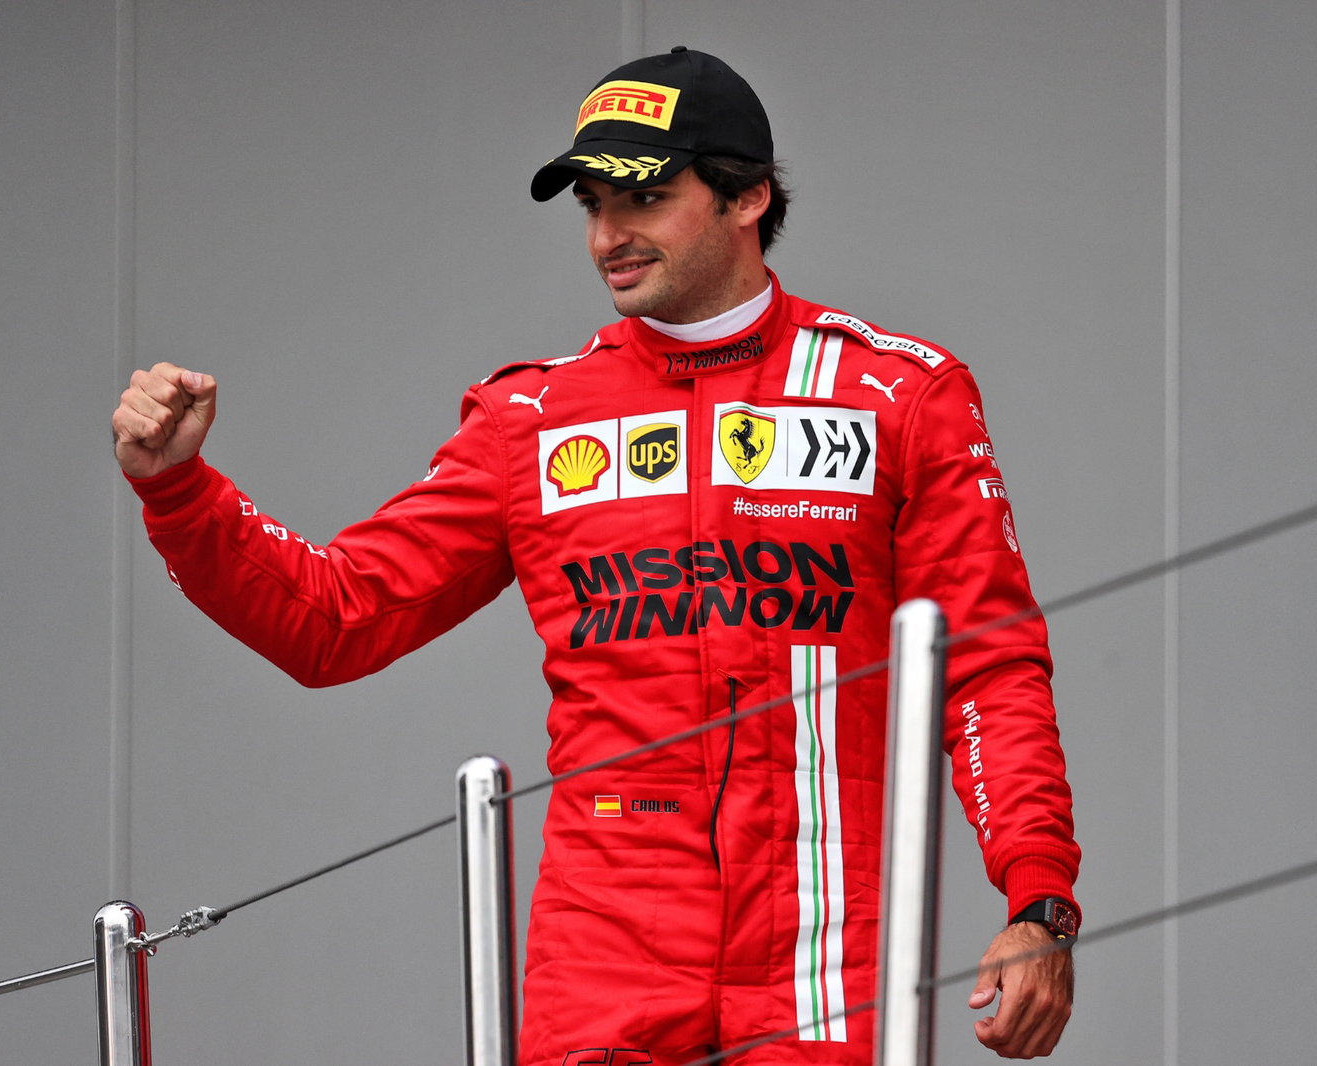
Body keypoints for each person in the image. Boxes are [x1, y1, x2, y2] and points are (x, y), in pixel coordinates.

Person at [112, 47, 1080, 1065]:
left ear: (747, 196)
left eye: (644, 200)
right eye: (589, 204)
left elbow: (986, 668)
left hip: (825, 947)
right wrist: (179, 489)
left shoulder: (900, 396)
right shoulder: (532, 417)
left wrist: (1039, 898)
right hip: (604, 961)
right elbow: (336, 618)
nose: (606, 237)